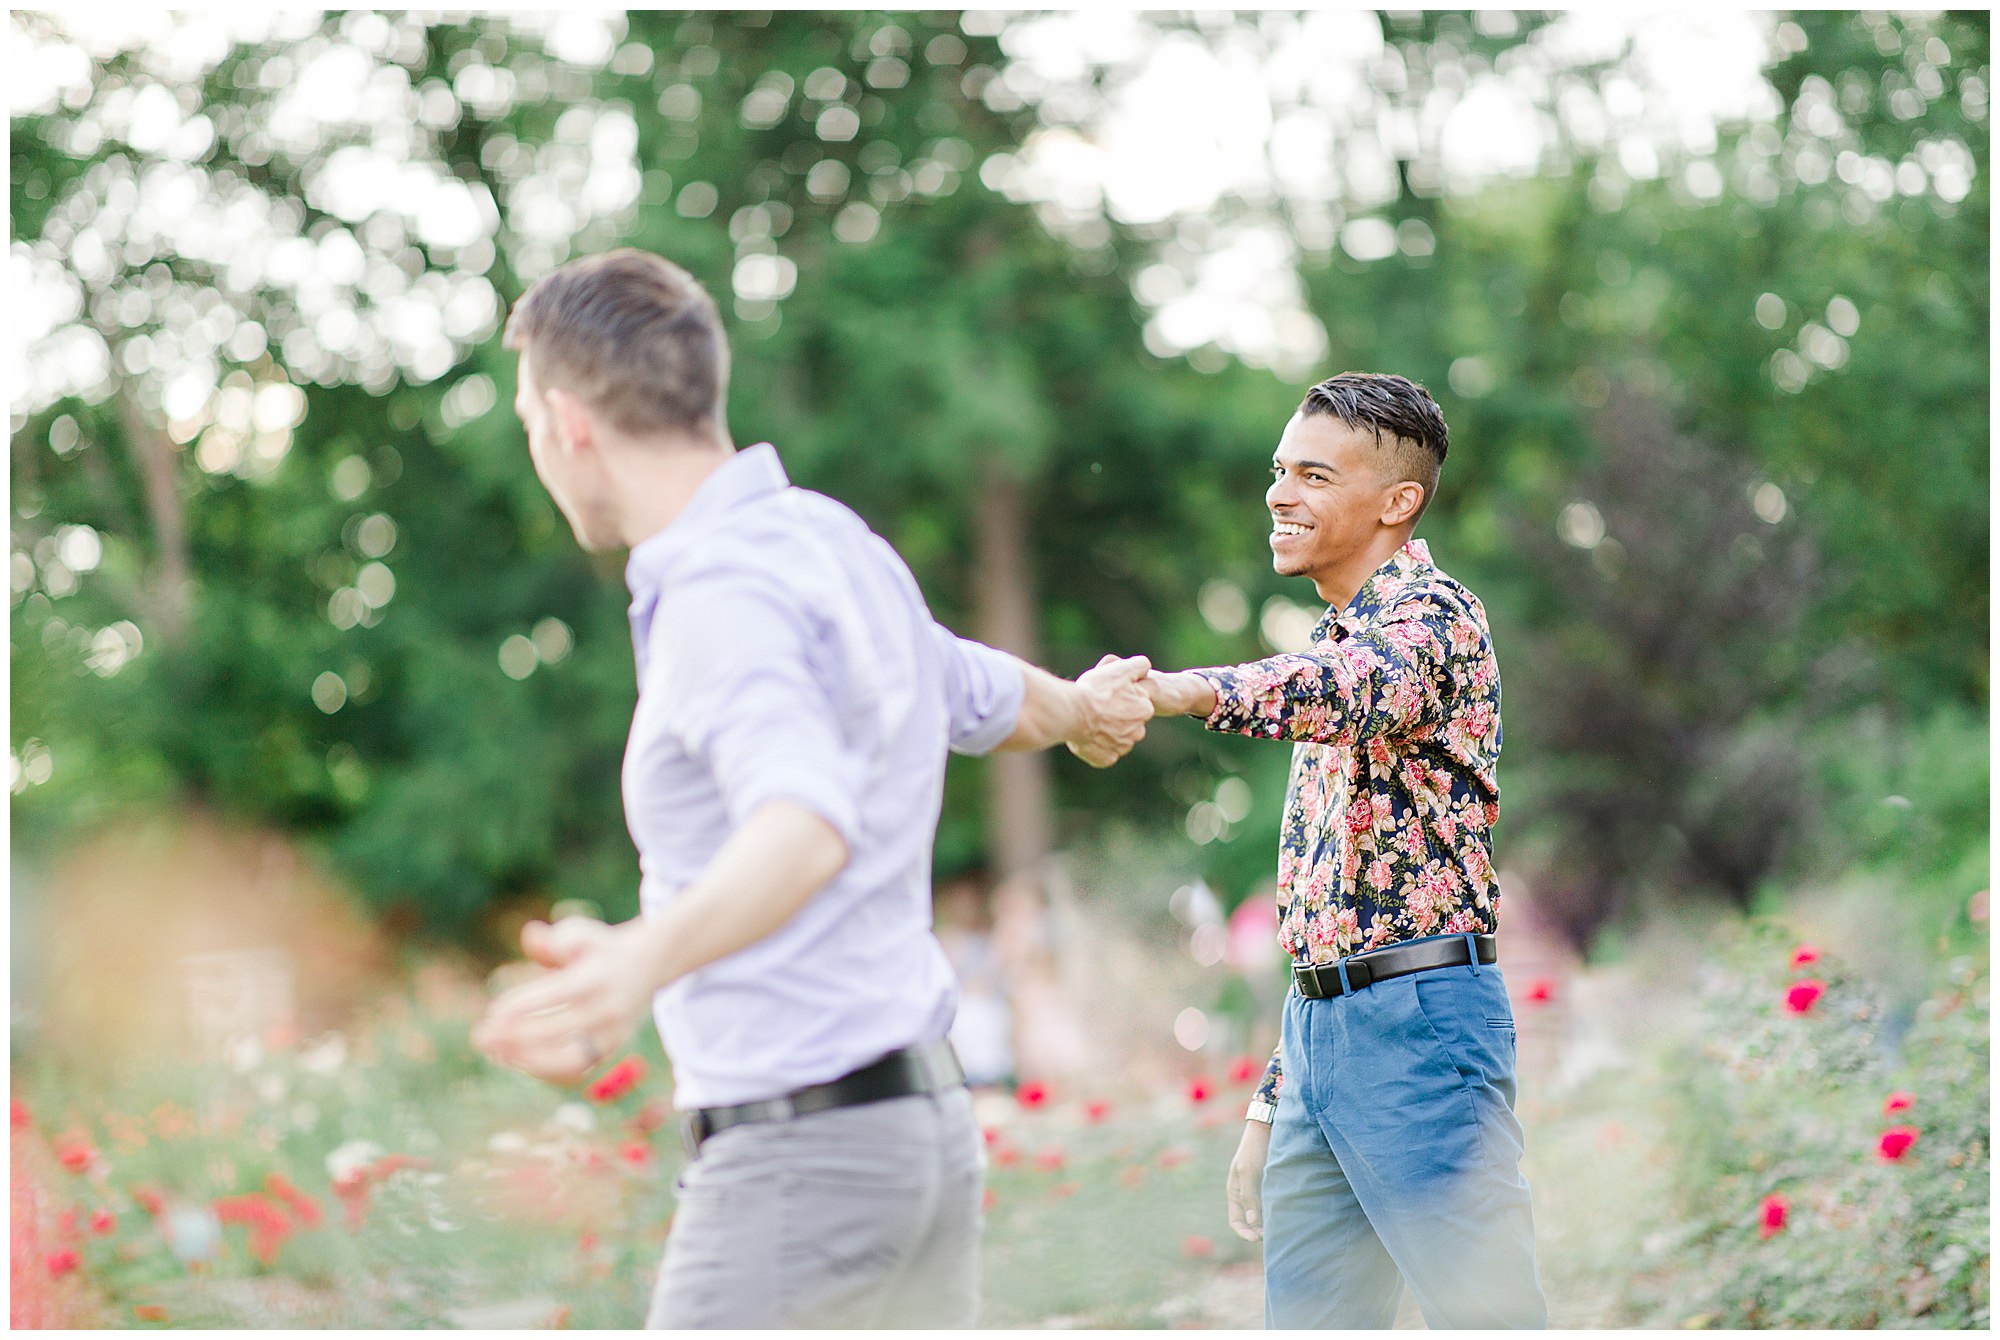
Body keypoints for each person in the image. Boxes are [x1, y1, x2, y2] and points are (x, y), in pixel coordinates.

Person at [469, 248, 1154, 1328]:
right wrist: (1080, 706)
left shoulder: (719, 592)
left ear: (569, 420)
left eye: (526, 424)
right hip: (916, 1137)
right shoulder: (836, 547)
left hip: (802, 1159)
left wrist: (633, 962)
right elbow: (980, 690)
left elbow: (803, 823)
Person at [1140, 372, 1549, 1328]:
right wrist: (1273, 1100)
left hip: (1421, 1027)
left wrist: (1181, 690)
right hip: (1321, 1036)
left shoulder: (1432, 623)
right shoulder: (1338, 634)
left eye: (1315, 476)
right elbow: (1325, 907)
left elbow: (1344, 689)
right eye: (1281, 471)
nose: (1280, 494)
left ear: (1397, 502)